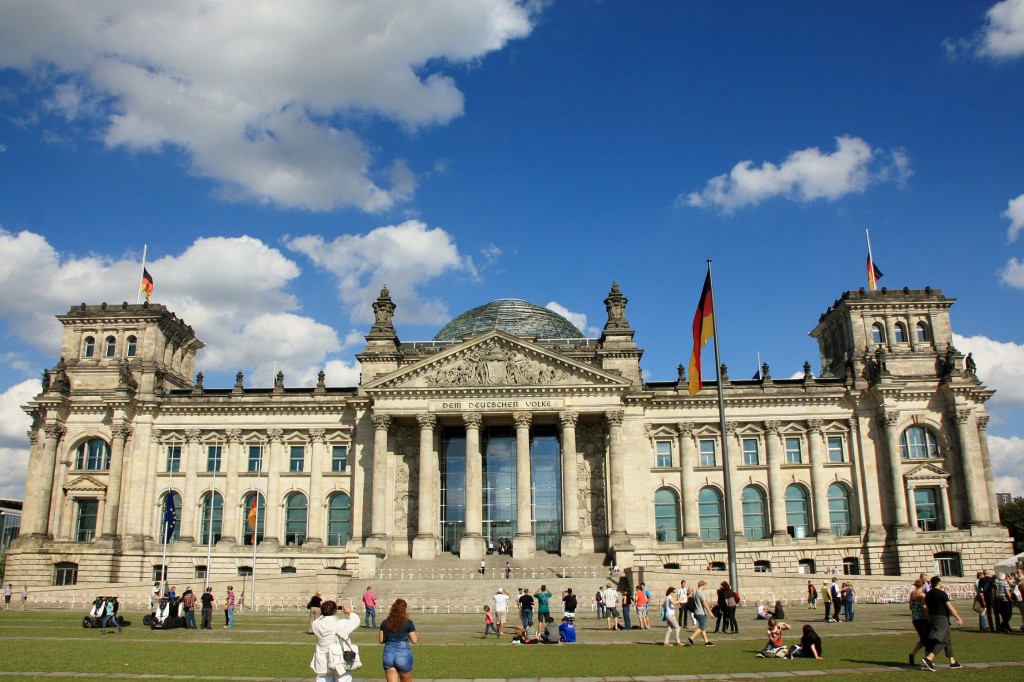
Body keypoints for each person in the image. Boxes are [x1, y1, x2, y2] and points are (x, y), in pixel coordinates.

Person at [310, 599, 360, 682]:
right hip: (339, 658)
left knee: (322, 678)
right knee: (343, 678)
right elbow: (356, 621)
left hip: (322, 659)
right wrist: (349, 612)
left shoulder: (316, 624)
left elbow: (320, 619)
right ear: (335, 611)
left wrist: (324, 609)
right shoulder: (340, 624)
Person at [921, 575, 963, 671]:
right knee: (943, 639)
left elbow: (925, 607)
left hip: (933, 617)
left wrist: (928, 617)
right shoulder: (941, 594)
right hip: (941, 618)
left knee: (947, 639)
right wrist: (958, 617)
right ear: (939, 583)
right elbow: (950, 607)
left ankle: (952, 661)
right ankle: (929, 658)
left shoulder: (928, 594)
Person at [380, 598, 418, 682]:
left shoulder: (385, 622)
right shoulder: (408, 622)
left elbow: (381, 640)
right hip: (403, 653)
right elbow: (414, 640)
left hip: (388, 653)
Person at [685, 580, 714, 647]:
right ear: (702, 585)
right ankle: (691, 638)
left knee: (702, 627)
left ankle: (706, 641)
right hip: (701, 612)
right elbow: (704, 602)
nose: (705, 587)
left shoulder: (695, 592)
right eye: (705, 586)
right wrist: (710, 612)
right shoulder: (700, 592)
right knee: (701, 627)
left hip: (696, 612)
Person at [908, 578, 930, 666]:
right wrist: (928, 617)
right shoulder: (922, 595)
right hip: (922, 619)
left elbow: (910, 607)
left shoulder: (912, 594)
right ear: (923, 585)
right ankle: (927, 659)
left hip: (915, 618)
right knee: (927, 639)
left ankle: (913, 654)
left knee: (924, 639)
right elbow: (924, 608)